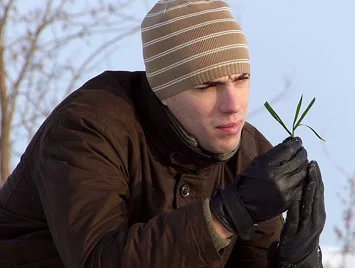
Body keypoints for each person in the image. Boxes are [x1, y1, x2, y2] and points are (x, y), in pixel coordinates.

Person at [0, 0, 326, 267]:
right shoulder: (88, 129)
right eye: (208, 85)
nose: (233, 105)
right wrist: (227, 215)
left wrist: (295, 260)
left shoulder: (247, 152)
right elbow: (97, 260)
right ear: (164, 91)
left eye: (241, 79)